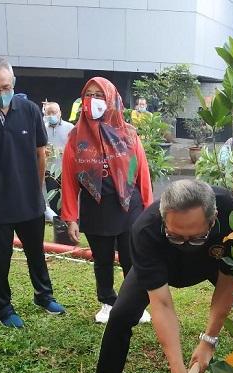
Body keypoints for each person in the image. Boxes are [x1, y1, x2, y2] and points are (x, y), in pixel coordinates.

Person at [82, 179, 233, 373]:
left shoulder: (230, 214)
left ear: (213, 220)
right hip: (162, 264)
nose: (186, 244)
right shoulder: (145, 229)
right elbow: (162, 303)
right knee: (120, 316)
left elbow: (228, 284)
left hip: (212, 263)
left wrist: (208, 341)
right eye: (176, 236)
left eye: (196, 236)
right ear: (163, 219)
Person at [0, 56, 66, 328]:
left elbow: (40, 154)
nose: (1, 93)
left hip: (28, 200)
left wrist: (37, 191)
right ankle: (2, 308)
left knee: (36, 252)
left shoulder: (29, 110)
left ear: (13, 83)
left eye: (6, 87)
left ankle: (44, 295)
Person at [60, 77, 153, 324]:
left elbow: (140, 171)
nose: (93, 101)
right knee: (102, 260)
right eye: (89, 95)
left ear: (111, 99)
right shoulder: (75, 137)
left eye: (99, 95)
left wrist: (148, 209)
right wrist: (70, 217)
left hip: (128, 207)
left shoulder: (129, 134)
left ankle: (134, 303)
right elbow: (69, 179)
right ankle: (107, 302)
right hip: (96, 207)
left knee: (131, 258)